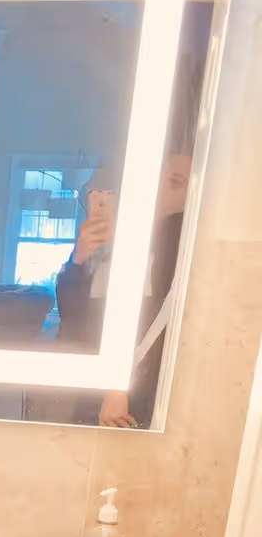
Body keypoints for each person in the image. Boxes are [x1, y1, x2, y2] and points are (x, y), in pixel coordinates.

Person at [55, 153, 191, 428]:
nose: (160, 184)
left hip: (133, 393)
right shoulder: (114, 234)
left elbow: (155, 321)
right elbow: (72, 313)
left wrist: (119, 386)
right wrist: (78, 257)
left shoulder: (181, 247)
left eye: (175, 181)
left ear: (191, 197)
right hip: (92, 380)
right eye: (159, 173)